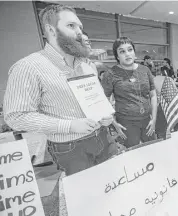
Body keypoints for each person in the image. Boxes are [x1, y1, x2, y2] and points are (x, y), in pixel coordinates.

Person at [3, 4, 117, 176]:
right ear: (51, 29)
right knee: (86, 195)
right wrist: (69, 125)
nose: (79, 31)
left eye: (80, 27)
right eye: (71, 26)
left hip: (103, 137)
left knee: (114, 184)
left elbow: (96, 100)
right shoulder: (28, 67)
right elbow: (16, 116)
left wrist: (105, 115)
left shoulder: (86, 66)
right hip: (70, 148)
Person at [101, 36, 157, 148]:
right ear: (117, 56)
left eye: (130, 50)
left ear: (134, 52)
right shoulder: (111, 74)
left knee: (152, 149)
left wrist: (154, 118)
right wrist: (114, 123)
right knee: (132, 154)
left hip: (147, 119)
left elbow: (153, 95)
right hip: (126, 122)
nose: (127, 54)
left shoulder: (145, 70)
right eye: (122, 51)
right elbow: (104, 101)